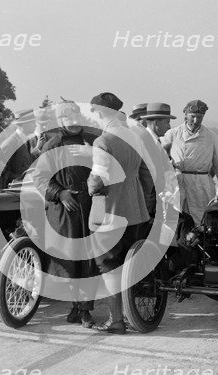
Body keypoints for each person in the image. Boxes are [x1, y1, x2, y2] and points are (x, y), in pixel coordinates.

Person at [87, 92, 153, 335]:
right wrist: (141, 200)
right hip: (136, 212)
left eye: (94, 111)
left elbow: (98, 180)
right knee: (129, 264)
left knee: (109, 266)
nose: (92, 116)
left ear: (102, 112)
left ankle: (116, 320)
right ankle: (130, 314)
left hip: (111, 213)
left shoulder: (103, 142)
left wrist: (89, 184)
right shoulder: (134, 137)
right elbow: (146, 175)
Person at [33, 101, 99, 328]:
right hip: (64, 212)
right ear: (61, 121)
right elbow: (39, 178)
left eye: (76, 117)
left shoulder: (91, 141)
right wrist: (59, 193)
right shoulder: (52, 145)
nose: (73, 122)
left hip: (90, 208)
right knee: (70, 261)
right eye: (68, 118)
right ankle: (76, 307)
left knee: (89, 261)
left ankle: (84, 310)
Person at [161, 100, 218, 225]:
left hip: (202, 186)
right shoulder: (173, 134)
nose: (196, 121)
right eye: (193, 117)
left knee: (202, 222)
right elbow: (158, 155)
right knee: (179, 222)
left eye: (200, 117)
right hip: (180, 184)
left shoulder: (210, 136)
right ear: (186, 115)